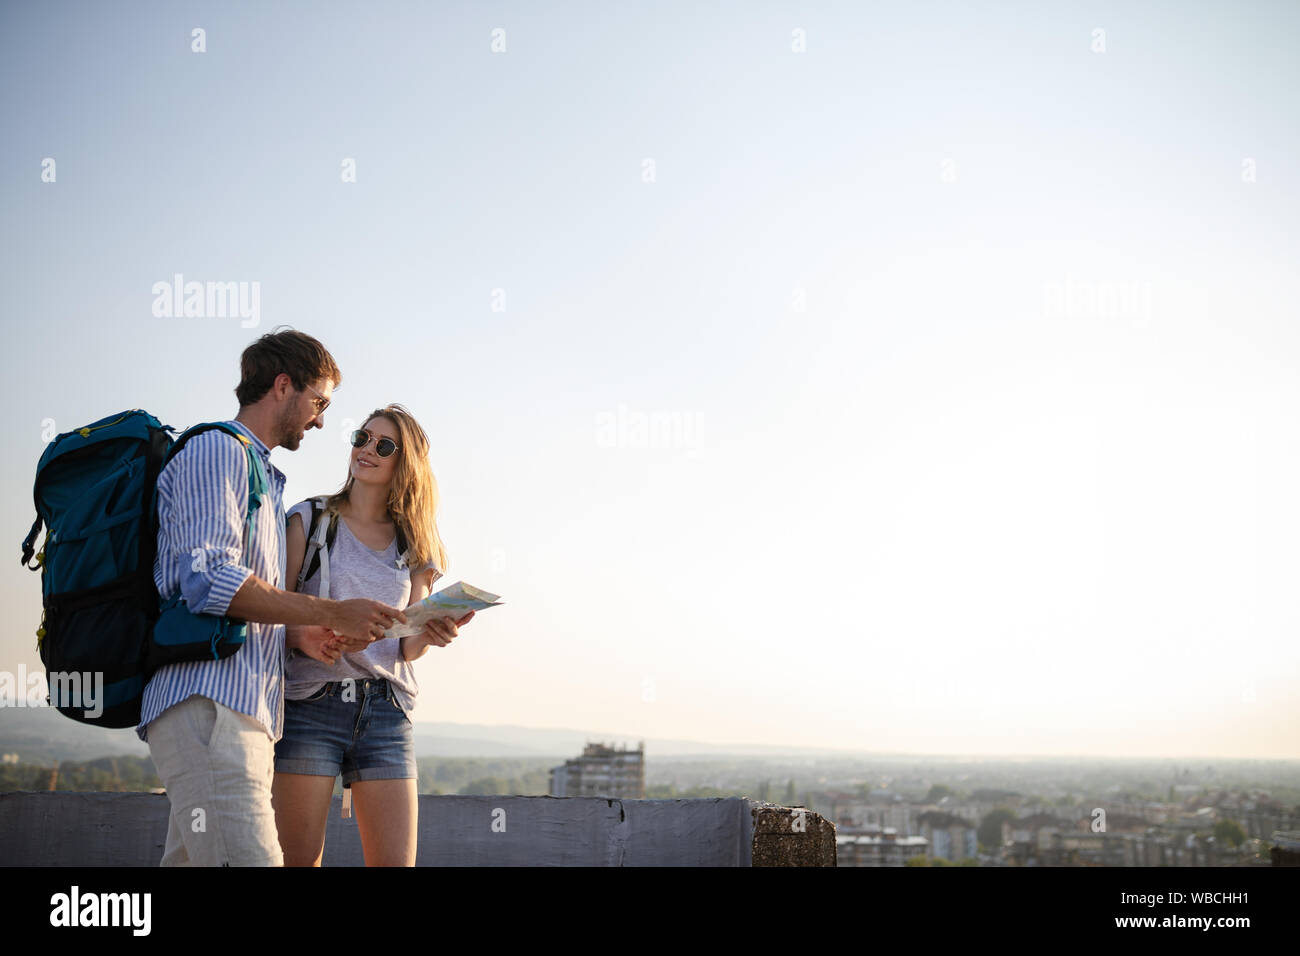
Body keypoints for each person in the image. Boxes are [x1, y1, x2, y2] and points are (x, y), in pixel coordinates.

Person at [139, 329, 409, 867]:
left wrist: (304, 632)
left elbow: (255, 602)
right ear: (284, 386)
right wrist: (333, 611)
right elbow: (211, 580)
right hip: (211, 709)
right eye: (319, 402)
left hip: (244, 718)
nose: (321, 420)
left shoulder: (261, 473)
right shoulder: (217, 451)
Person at [271, 403, 471, 866]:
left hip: (386, 711)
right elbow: (271, 613)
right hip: (309, 706)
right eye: (361, 438)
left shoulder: (414, 542)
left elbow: (407, 645)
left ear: (406, 463)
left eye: (383, 445)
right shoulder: (310, 520)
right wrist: (305, 637)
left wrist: (433, 632)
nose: (366, 450)